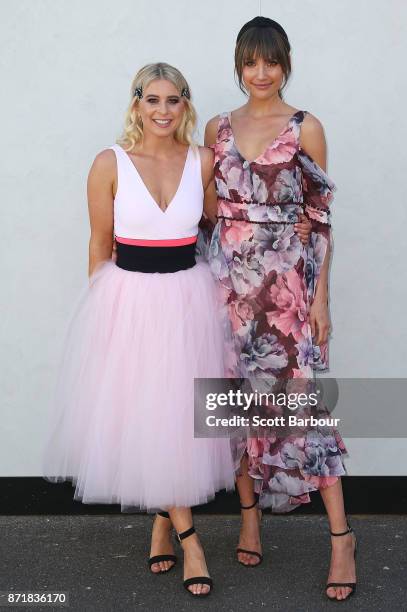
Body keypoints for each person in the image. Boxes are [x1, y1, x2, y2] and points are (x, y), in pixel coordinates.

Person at [41, 62, 236, 598]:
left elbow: (226, 225)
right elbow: (98, 245)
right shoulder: (110, 163)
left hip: (188, 298)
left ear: (185, 105)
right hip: (129, 300)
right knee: (147, 411)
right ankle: (190, 536)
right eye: (152, 100)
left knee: (176, 416)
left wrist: (298, 225)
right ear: (136, 104)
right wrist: (99, 320)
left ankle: (162, 522)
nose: (163, 111)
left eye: (173, 100)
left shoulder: (201, 161)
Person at [203, 17, 357, 602]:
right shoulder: (218, 127)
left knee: (302, 411)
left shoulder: (305, 127)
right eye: (250, 62)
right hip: (229, 289)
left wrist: (319, 299)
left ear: (285, 64)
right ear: (239, 65)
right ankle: (249, 518)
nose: (260, 74)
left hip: (289, 293)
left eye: (270, 62)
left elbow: (320, 221)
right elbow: (212, 210)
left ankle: (341, 538)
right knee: (237, 404)